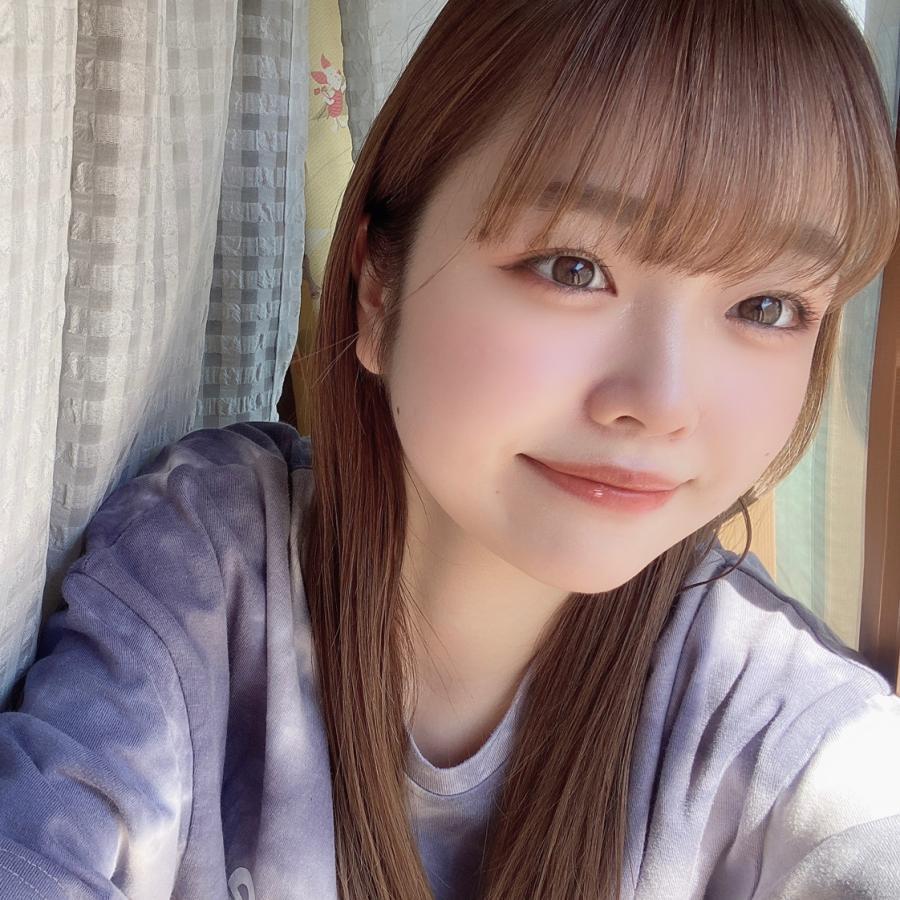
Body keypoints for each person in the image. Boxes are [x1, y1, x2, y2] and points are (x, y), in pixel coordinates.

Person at [1, 0, 899, 897]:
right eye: (573, 267)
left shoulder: (780, 722)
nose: (660, 404)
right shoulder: (209, 576)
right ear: (377, 292)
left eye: (767, 307)